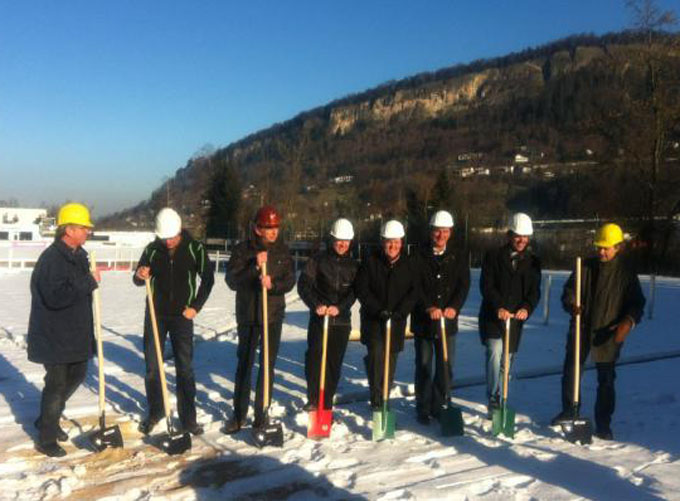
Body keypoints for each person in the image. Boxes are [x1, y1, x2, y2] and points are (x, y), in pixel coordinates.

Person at [550, 223, 645, 440]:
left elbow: (637, 303)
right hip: (581, 327)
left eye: (606, 248)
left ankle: (603, 423)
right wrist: (571, 303)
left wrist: (628, 321)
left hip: (608, 332)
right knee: (571, 371)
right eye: (599, 247)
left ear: (618, 247)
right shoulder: (584, 266)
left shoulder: (625, 273)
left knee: (606, 379)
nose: (601, 252)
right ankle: (569, 411)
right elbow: (569, 290)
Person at [27, 203, 100, 457]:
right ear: (68, 230)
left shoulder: (79, 255)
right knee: (56, 385)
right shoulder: (52, 259)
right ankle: (46, 439)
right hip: (54, 334)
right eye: (83, 227)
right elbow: (55, 296)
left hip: (75, 332)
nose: (87, 231)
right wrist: (88, 282)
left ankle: (47, 418)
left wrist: (86, 281)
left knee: (78, 374)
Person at [133, 207, 214, 436]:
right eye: (164, 238)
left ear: (179, 231)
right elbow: (138, 278)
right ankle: (156, 411)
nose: (167, 242)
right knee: (152, 367)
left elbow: (208, 279)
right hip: (155, 314)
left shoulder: (195, 248)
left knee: (184, 368)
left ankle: (188, 419)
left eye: (171, 237)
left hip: (182, 316)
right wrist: (139, 275)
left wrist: (195, 307)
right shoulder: (152, 249)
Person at [223, 205, 295, 433]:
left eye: (276, 227)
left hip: (272, 316)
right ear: (257, 229)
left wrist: (273, 285)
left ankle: (261, 414)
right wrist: (254, 267)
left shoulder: (282, 251)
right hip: (248, 315)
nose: (273, 231)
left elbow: (290, 281)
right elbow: (232, 281)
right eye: (268, 227)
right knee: (244, 364)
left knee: (267, 365)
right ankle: (238, 415)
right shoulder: (242, 250)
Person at [478, 212, 541, 417]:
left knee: (507, 360)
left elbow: (534, 292)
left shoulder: (533, 262)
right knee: (495, 352)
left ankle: (502, 394)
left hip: (514, 320)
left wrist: (526, 308)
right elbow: (486, 286)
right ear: (510, 235)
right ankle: (493, 397)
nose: (521, 240)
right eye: (518, 236)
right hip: (493, 317)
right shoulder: (493, 256)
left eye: (525, 237)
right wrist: (498, 306)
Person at [411, 210, 470, 424]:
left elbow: (463, 285)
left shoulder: (458, 256)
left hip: (448, 322)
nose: (441, 235)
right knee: (424, 366)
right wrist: (427, 306)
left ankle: (439, 405)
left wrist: (454, 306)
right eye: (437, 231)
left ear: (450, 232)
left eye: (445, 231)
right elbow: (414, 285)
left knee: (445, 367)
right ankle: (423, 407)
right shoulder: (418, 255)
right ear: (431, 231)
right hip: (424, 322)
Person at [356, 220, 418, 411]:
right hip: (374, 320)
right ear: (382, 242)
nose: (393, 246)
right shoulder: (370, 262)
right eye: (389, 242)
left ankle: (385, 395)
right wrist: (378, 310)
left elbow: (414, 291)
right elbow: (362, 289)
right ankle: (377, 400)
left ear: (402, 242)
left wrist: (401, 311)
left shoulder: (409, 264)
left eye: (396, 242)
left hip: (397, 321)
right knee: (376, 355)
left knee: (390, 361)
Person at [298, 218, 359, 413]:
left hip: (341, 322)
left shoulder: (354, 265)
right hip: (319, 319)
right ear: (332, 239)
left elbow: (354, 292)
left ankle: (327, 402)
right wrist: (316, 304)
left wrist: (340, 307)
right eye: (339, 240)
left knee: (333, 363)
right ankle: (314, 398)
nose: (342, 244)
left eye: (346, 241)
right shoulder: (318, 260)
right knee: (314, 357)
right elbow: (303, 285)